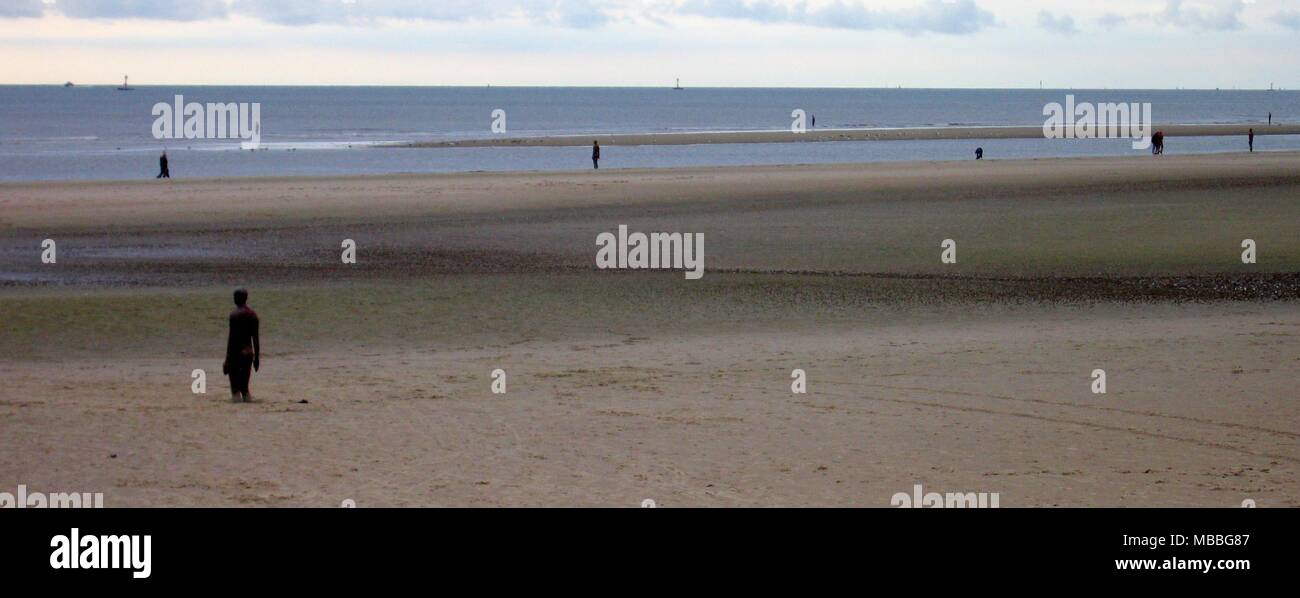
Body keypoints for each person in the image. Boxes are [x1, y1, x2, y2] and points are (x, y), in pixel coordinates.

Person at [223, 288, 260, 403]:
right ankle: (248, 406)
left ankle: (237, 411)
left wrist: (227, 360)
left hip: (236, 353)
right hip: (248, 353)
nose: (234, 299)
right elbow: (255, 338)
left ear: (237, 298)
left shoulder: (234, 315)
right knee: (245, 388)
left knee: (235, 389)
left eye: (235, 297)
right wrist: (257, 358)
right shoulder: (253, 315)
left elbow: (232, 339)